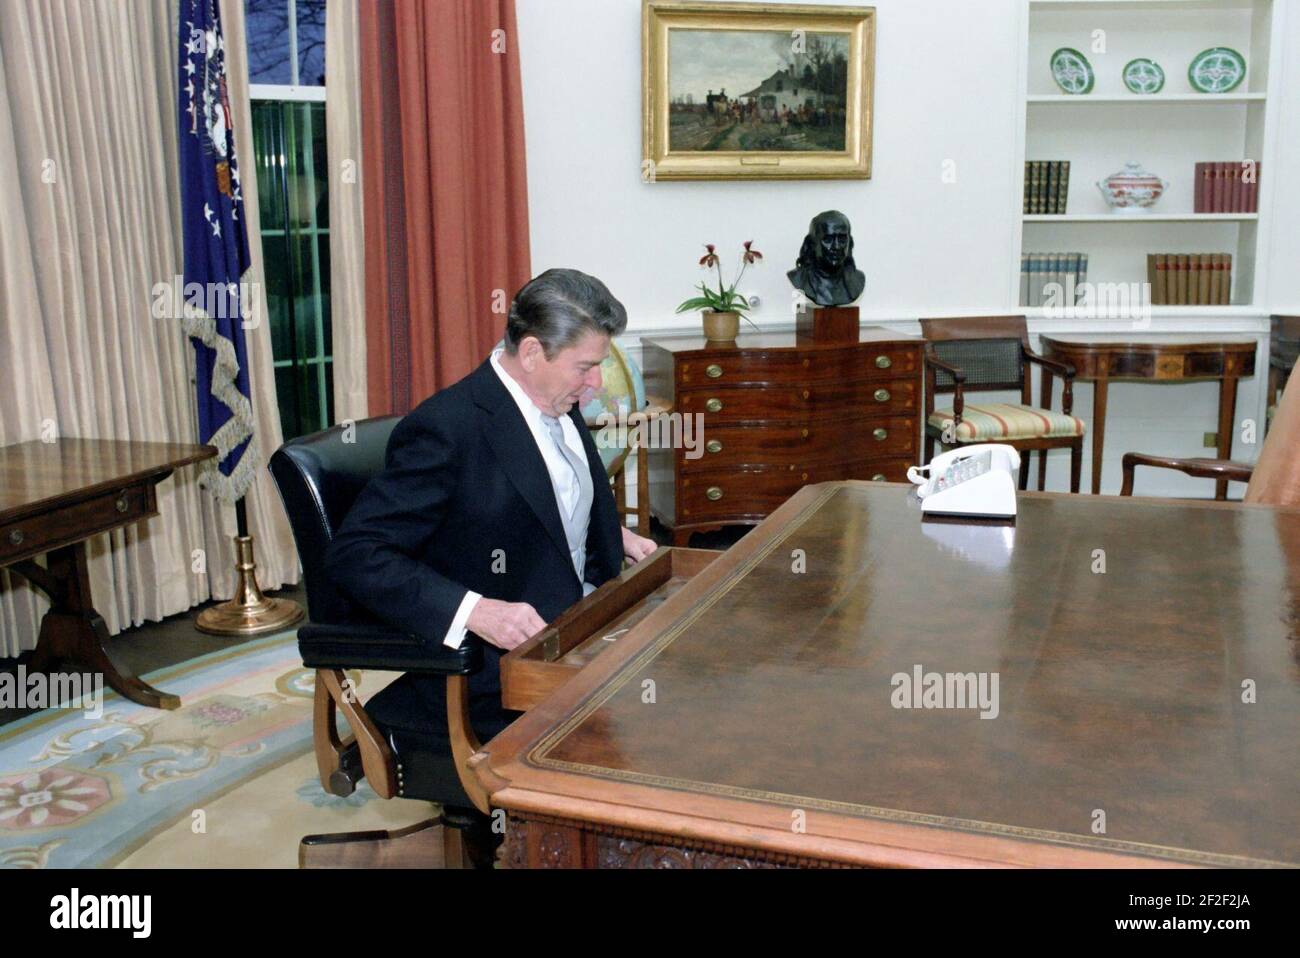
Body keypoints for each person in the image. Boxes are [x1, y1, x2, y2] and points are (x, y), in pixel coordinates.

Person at [325, 268, 658, 746]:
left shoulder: (556, 401)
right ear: (530, 352)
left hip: (574, 627)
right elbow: (356, 554)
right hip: (492, 673)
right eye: (585, 366)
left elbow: (541, 503)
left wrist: (605, 531)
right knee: (654, 729)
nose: (595, 383)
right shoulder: (446, 429)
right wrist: (477, 612)